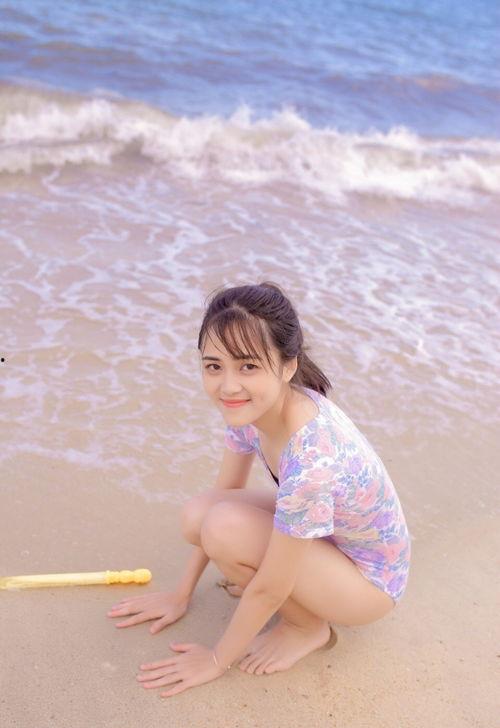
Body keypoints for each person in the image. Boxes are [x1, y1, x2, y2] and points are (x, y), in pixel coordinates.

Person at [107, 281, 411, 698]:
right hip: (328, 537)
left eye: (248, 366)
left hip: (368, 584)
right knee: (201, 514)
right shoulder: (254, 409)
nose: (228, 386)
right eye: (214, 366)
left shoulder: (311, 458)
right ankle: (298, 596)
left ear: (288, 366)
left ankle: (307, 627)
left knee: (225, 528)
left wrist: (217, 660)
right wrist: (180, 595)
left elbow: (269, 586)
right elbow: (223, 495)